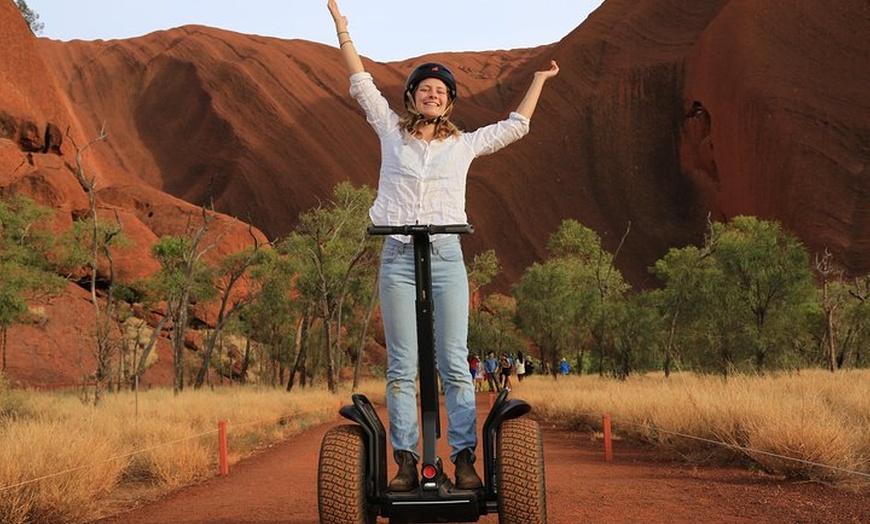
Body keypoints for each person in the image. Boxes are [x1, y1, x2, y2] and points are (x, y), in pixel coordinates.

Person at [327, 0, 560, 493]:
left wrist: (538, 80)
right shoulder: (391, 132)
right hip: (397, 256)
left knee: (455, 362)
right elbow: (361, 84)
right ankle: (407, 460)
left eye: (441, 91)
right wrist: (343, 31)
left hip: (446, 257)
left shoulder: (464, 145)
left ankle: (464, 458)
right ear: (412, 98)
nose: (433, 94)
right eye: (425, 89)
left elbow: (515, 127)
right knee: (401, 365)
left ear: (448, 103)